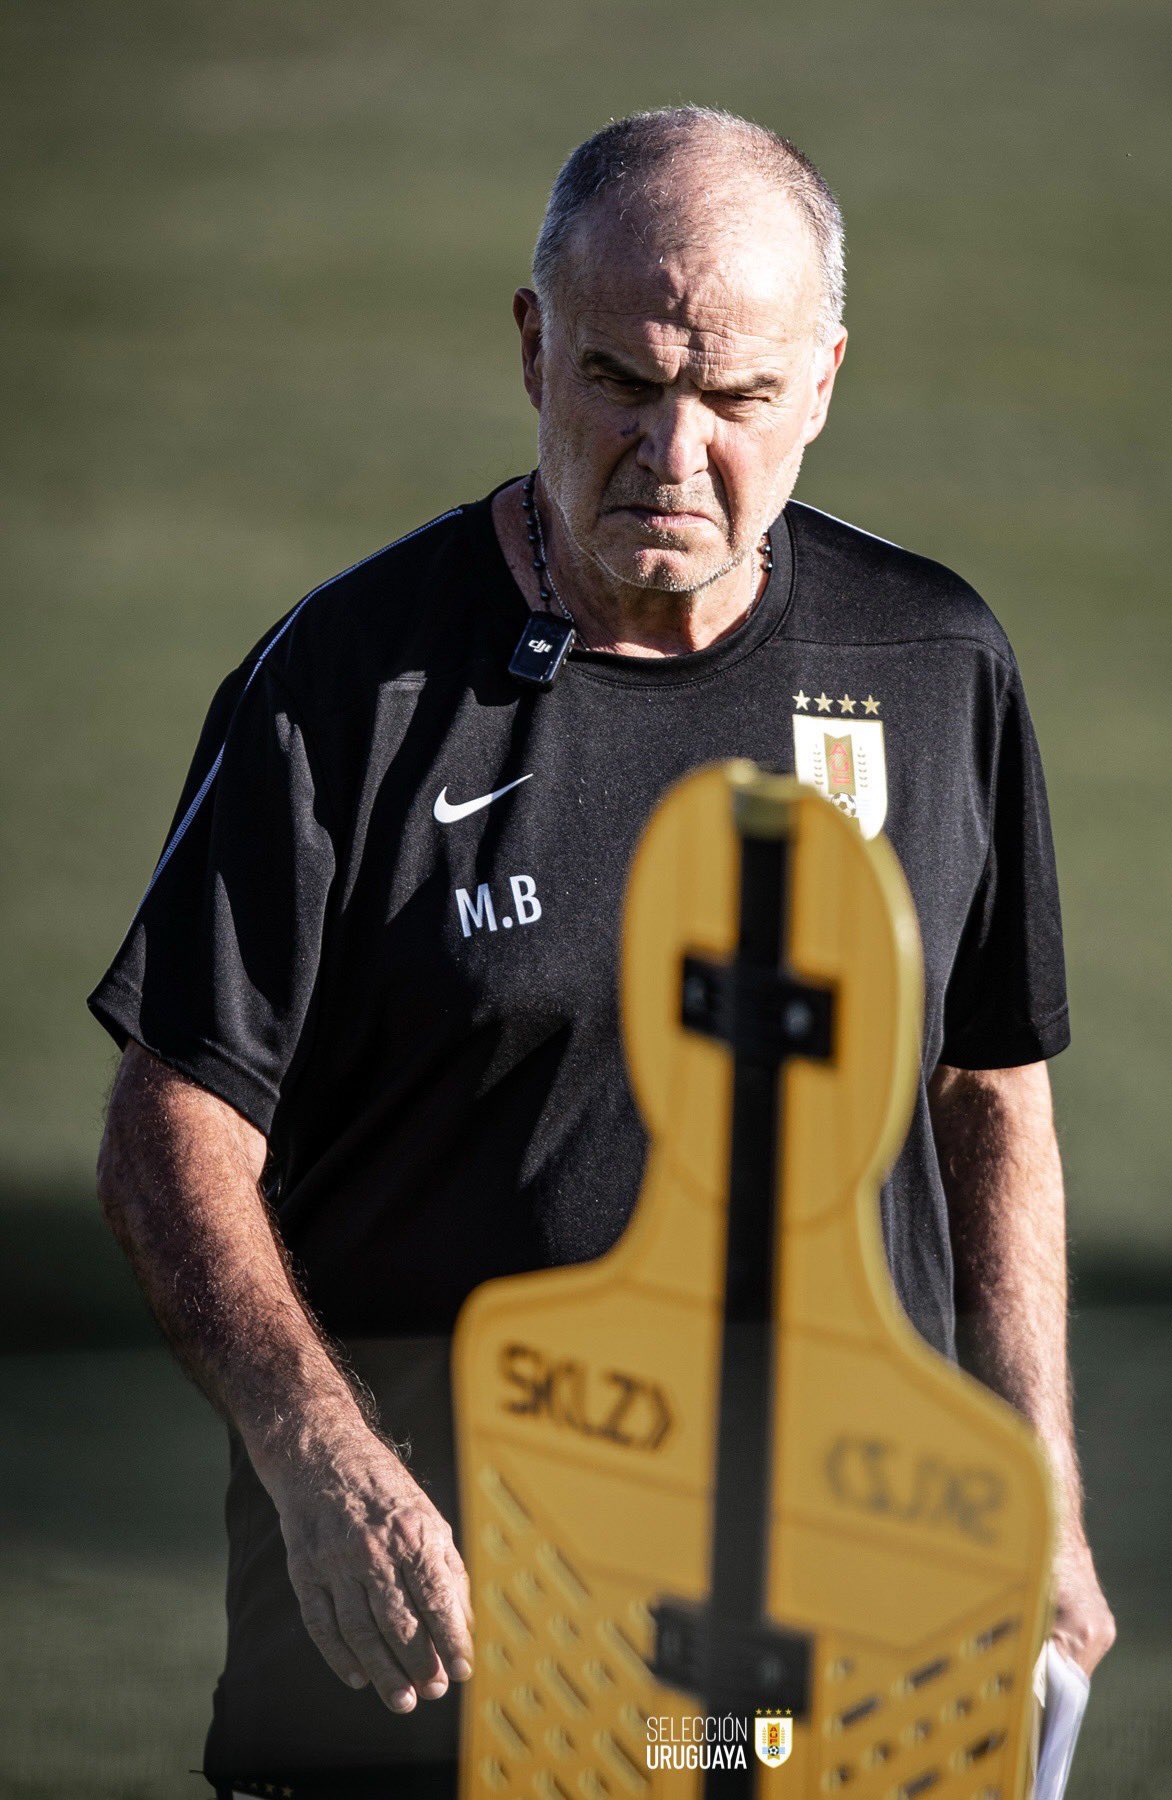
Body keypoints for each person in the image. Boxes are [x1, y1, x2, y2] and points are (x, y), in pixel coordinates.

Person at [90, 105, 1114, 1797]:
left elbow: (989, 1092)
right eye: (625, 384)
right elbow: (170, 1126)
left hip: (822, 1639)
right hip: (428, 1652)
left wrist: (1039, 1495)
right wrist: (316, 1451)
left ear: (827, 384)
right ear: (529, 347)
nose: (673, 451)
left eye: (737, 400)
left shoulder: (936, 665)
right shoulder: (350, 686)